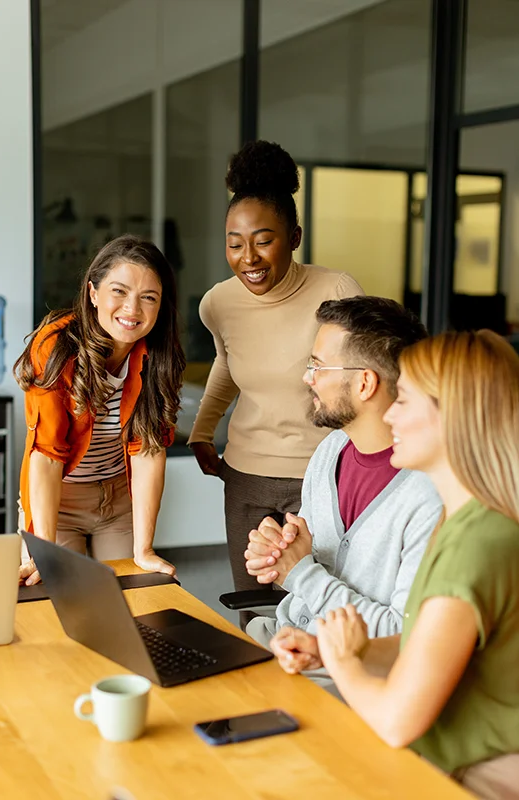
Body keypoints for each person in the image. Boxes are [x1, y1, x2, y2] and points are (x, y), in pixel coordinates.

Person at [271, 330, 519, 797]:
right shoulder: (466, 520)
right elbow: (424, 642)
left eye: (403, 399)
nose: (390, 414)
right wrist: (329, 649)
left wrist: (344, 663)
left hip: (465, 776)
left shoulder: (477, 545)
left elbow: (397, 723)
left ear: (454, 418)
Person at [188, 140, 363, 610]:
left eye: (264, 241)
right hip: (244, 475)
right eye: (234, 243)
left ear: (295, 237)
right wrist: (203, 431)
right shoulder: (217, 303)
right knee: (253, 605)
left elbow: (358, 374)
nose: (249, 257)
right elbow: (229, 363)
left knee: (310, 605)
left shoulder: (336, 290)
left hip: (320, 472)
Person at [244, 297, 442, 658]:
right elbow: (308, 555)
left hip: (341, 671)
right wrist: (278, 551)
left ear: (365, 383)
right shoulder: (331, 449)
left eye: (318, 366)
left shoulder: (430, 494)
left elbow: (402, 635)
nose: (307, 378)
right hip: (281, 637)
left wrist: (300, 574)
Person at [15, 234, 185, 585]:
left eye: (148, 297)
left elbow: (148, 450)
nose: (132, 310)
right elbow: (46, 455)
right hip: (59, 503)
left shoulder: (160, 354)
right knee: (61, 598)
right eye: (119, 291)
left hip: (118, 499)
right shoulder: (55, 346)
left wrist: (145, 548)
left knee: (130, 599)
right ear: (93, 293)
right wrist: (42, 550)